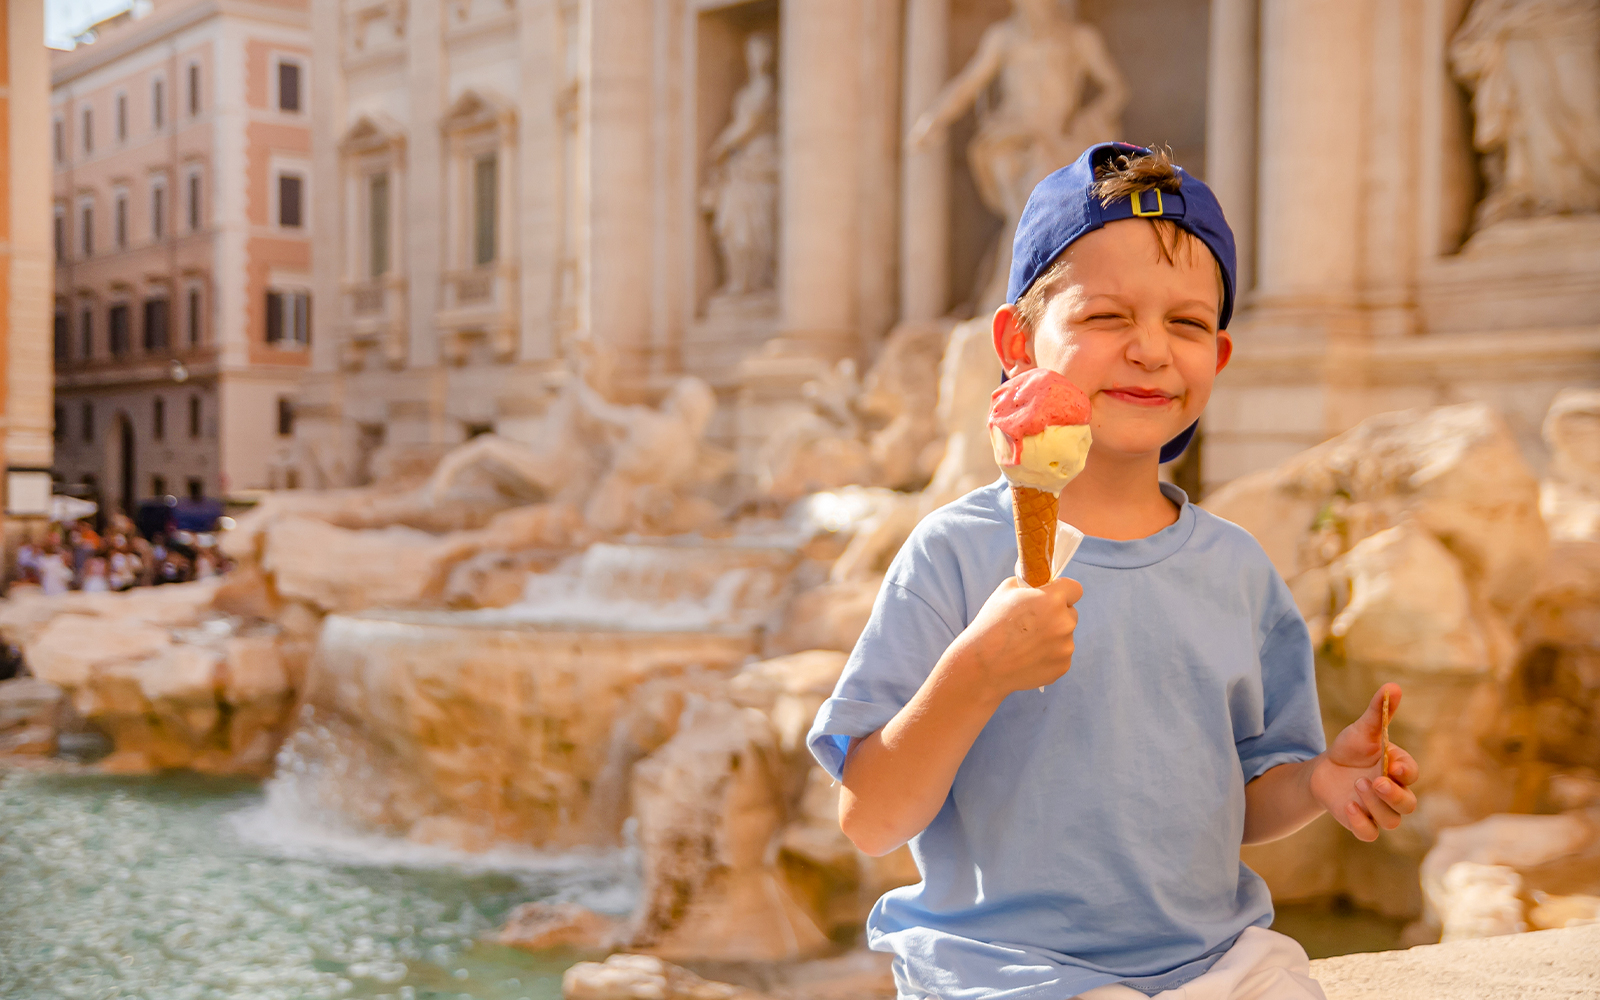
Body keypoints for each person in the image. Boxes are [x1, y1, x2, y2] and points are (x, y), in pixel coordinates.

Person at [807, 144, 1419, 1000]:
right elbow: (870, 819)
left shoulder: (1236, 570)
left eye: (1187, 324)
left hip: (1217, 961)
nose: (1149, 350)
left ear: (1220, 357)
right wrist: (975, 673)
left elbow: (1238, 799)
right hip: (1008, 971)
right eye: (1104, 318)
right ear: (1018, 344)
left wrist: (1320, 781)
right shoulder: (952, 554)